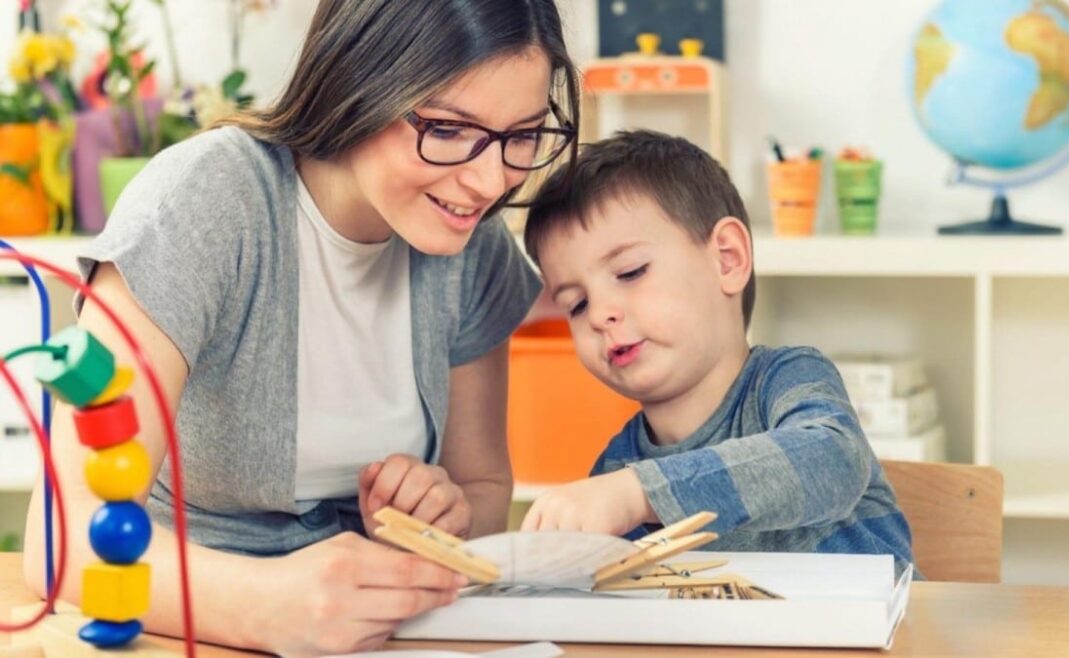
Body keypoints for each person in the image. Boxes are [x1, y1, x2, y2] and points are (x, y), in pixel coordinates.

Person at [22, 1, 579, 655]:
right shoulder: (207, 203)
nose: (491, 182)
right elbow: (61, 535)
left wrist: (440, 522)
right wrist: (257, 606)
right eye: (451, 130)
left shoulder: (472, 251)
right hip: (177, 632)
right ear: (361, 83)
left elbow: (482, 490)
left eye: (523, 136)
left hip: (374, 637)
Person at [518, 130, 913, 572]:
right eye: (577, 304)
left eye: (630, 272)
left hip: (882, 638)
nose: (599, 315)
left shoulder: (787, 379)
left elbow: (833, 460)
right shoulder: (616, 466)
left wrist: (639, 494)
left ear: (727, 259)